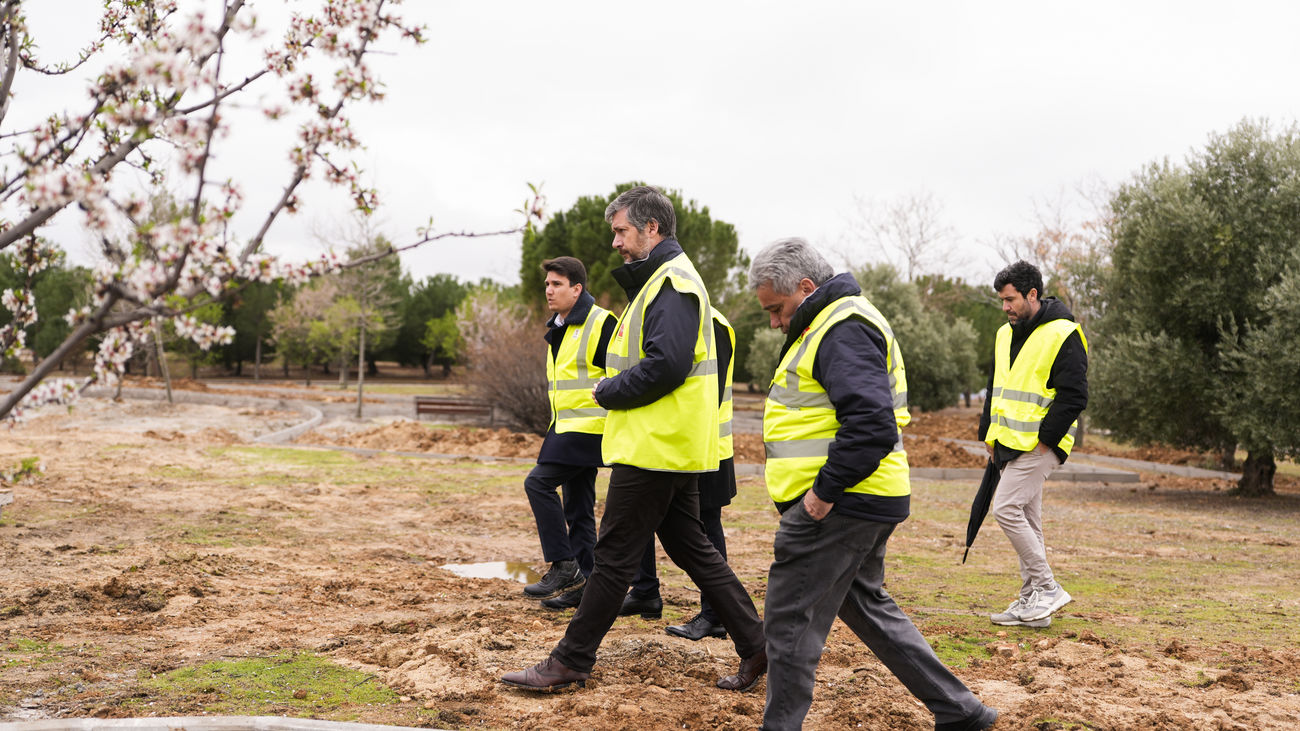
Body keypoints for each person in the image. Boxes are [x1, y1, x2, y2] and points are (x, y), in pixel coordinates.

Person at [501, 185, 767, 693]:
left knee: (613, 556)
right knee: (694, 549)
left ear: (652, 228)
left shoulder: (671, 283)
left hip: (655, 446)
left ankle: (571, 658)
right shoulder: (661, 282)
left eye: (622, 231)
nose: (616, 243)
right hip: (666, 444)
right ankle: (759, 646)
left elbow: (666, 364)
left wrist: (609, 391)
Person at [751, 238, 997, 731]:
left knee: (789, 622)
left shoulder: (841, 327)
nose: (774, 322)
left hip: (839, 506)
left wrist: (819, 498)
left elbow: (871, 424)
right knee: (868, 608)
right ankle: (960, 710)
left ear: (805, 287)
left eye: (776, 309)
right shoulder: (829, 323)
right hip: (863, 498)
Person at [979, 259, 1088, 628]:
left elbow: (1074, 396)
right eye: (1002, 301)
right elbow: (996, 389)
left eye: (1010, 299)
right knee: (1028, 518)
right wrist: (988, 435)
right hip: (1008, 442)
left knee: (1005, 509)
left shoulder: (1063, 333)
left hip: (1040, 446)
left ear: (1032, 294)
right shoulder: (1003, 333)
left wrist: (1046, 442)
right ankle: (1032, 604)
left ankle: (1047, 587)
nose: (1005, 307)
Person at [621, 308, 739, 642]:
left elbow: (705, 392)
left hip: (704, 446)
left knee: (704, 527)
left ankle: (716, 614)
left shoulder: (709, 322)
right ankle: (645, 591)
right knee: (652, 516)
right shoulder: (674, 317)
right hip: (680, 443)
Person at [519, 257, 617, 607]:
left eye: (557, 284)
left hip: (590, 429)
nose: (549, 290)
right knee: (577, 506)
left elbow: (622, 376)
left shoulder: (603, 323)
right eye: (547, 284)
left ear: (577, 288)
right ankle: (587, 585)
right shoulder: (559, 327)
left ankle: (564, 565)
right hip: (565, 427)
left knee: (538, 483)